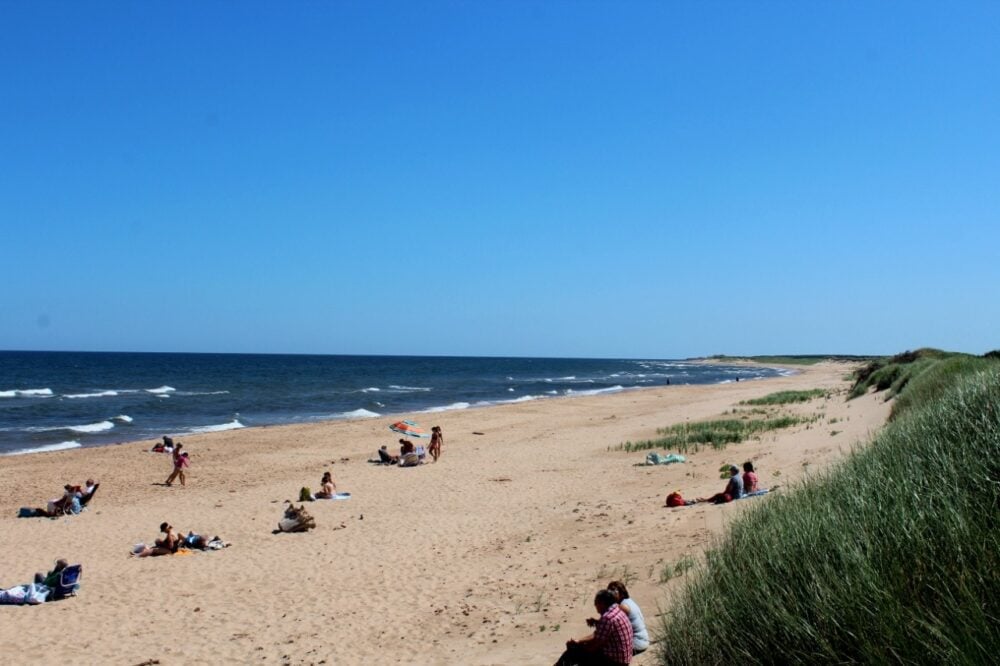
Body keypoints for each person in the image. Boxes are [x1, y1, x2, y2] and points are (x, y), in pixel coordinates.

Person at [555, 589, 633, 666]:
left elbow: (595, 645)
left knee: (575, 652)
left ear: (602, 603)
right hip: (623, 658)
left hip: (615, 661)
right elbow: (598, 635)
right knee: (577, 649)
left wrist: (578, 648)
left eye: (596, 603)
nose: (595, 606)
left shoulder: (607, 618)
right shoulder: (617, 610)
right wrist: (579, 641)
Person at [606, 581, 649, 654]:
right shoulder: (628, 601)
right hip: (642, 639)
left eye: (614, 592)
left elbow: (609, 626)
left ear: (621, 593)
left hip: (637, 642)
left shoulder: (622, 607)